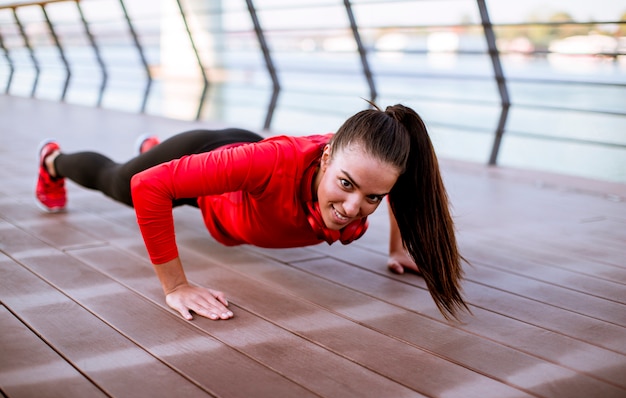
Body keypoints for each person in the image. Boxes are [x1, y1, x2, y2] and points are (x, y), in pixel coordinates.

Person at [36, 103, 468, 321]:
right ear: (327, 156)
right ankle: (53, 160)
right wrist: (177, 286)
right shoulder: (271, 162)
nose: (353, 209)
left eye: (372, 197)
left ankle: (154, 151)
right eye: (346, 184)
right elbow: (148, 186)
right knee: (119, 181)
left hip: (234, 191)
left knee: (170, 174)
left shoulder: (373, 175)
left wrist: (398, 248)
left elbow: (399, 191)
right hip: (215, 156)